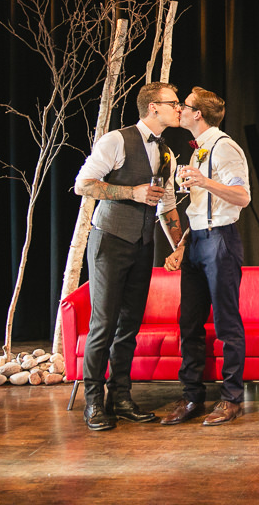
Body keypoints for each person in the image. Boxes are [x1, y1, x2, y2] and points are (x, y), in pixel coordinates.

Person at [73, 82, 184, 430]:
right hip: (110, 240)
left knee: (128, 327)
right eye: (174, 103)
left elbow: (166, 205)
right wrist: (130, 192)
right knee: (103, 323)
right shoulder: (117, 140)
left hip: (142, 244)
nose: (179, 109)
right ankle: (93, 403)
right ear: (153, 107)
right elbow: (84, 184)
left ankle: (119, 397)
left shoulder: (167, 152)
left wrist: (179, 245)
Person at [160, 87, 252, 427]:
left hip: (220, 242)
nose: (179, 110)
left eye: (184, 106)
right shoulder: (199, 150)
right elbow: (199, 208)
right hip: (198, 241)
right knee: (190, 323)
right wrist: (183, 244)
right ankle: (192, 397)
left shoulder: (224, 147)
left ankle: (231, 399)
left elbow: (242, 197)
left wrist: (205, 180)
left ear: (198, 114)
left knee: (227, 322)